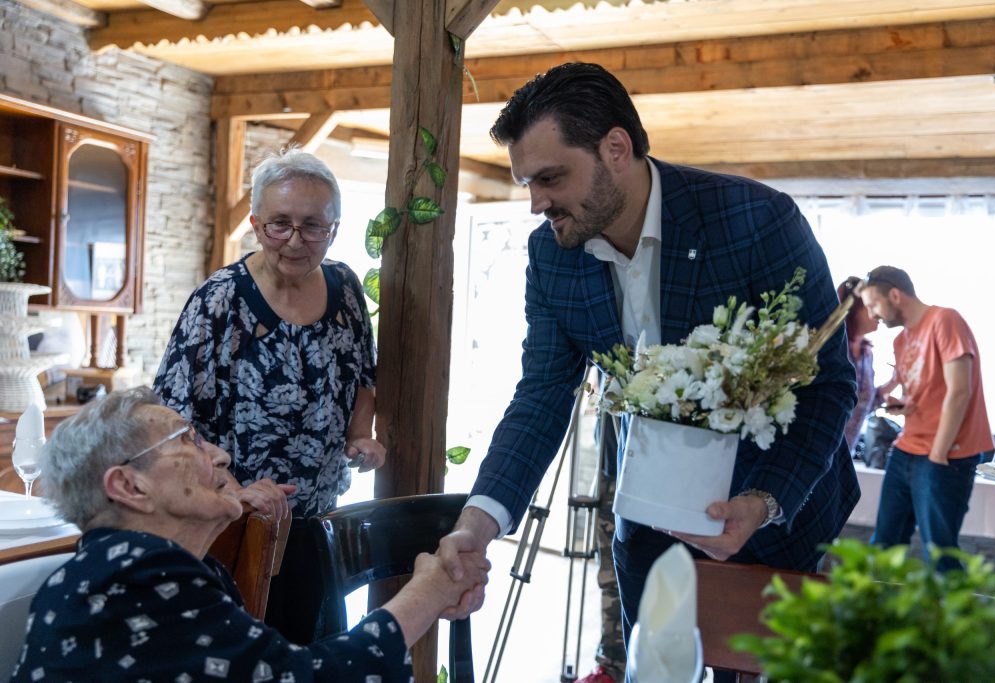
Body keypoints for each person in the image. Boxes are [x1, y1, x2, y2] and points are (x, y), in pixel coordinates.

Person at [437, 62, 859, 676]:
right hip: (647, 528)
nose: (536, 203)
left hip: (777, 518)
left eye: (550, 178)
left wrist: (762, 502)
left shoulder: (755, 220)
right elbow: (542, 396)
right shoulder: (552, 254)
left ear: (615, 148)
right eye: (527, 183)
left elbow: (828, 386)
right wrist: (478, 525)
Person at [10, 387, 485, 683]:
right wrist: (430, 590)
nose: (220, 456)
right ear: (130, 486)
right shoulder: (135, 579)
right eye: (187, 440)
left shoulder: (138, 570)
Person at [154, 147, 384, 520]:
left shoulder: (344, 286)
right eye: (279, 224)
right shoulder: (218, 299)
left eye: (313, 225)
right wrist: (235, 493)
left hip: (321, 512)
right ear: (256, 225)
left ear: (334, 230)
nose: (295, 240)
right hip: (235, 516)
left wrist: (360, 436)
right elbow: (172, 420)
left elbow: (361, 375)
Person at [857, 265, 993, 571]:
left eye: (874, 305)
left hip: (945, 455)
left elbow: (960, 391)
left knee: (940, 555)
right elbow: (923, 395)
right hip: (906, 450)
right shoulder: (901, 341)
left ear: (895, 295)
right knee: (883, 546)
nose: (872, 315)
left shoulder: (945, 320)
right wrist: (903, 405)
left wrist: (938, 453)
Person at [837, 276, 881, 450]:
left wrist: (895, 381)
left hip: (848, 450)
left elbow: (864, 405)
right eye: (871, 306)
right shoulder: (836, 348)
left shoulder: (867, 354)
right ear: (853, 310)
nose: (877, 313)